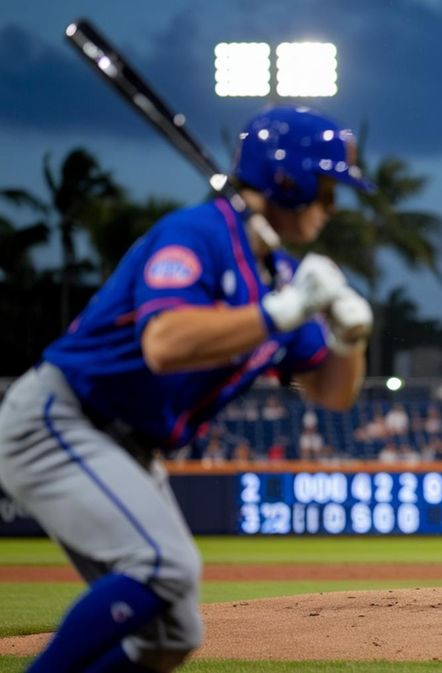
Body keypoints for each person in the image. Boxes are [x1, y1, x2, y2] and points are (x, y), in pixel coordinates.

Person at [0, 106, 372, 672]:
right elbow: (165, 344)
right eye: (326, 189)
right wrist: (286, 310)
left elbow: (332, 394)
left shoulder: (281, 276)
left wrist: (348, 339)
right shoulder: (198, 235)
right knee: (164, 567)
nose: (331, 207)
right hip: (63, 416)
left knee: (171, 633)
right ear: (287, 182)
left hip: (130, 444)